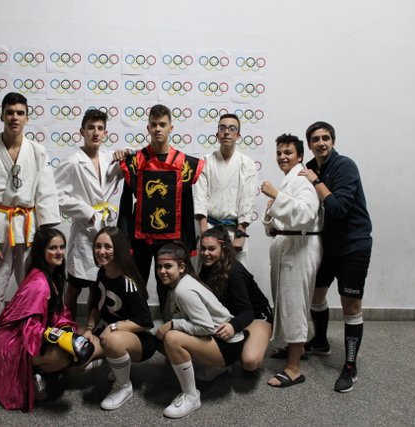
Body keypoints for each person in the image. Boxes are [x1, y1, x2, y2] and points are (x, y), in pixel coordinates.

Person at [0, 92, 61, 374]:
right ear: (1, 115)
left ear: (27, 117)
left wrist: (47, 241)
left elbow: (46, 193)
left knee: (33, 292)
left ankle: (29, 344)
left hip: (29, 228)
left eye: (20, 113)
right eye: (9, 112)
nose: (14, 117)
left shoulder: (37, 151)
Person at [298, 121, 372, 393]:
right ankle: (320, 342)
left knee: (351, 305)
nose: (321, 143)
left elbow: (338, 208)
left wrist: (316, 182)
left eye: (326, 138)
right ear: (309, 144)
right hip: (327, 244)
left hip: (354, 245)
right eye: (316, 139)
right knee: (316, 295)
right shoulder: (310, 167)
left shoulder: (344, 166)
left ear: (333, 141)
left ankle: (350, 366)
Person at [117, 104, 204, 311]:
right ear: (148, 128)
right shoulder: (135, 161)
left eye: (162, 124)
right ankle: (138, 320)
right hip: (140, 237)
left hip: (171, 238)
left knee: (169, 286)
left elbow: (188, 206)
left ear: (171, 128)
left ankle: (168, 321)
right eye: (154, 124)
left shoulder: (184, 163)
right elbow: (125, 204)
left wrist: (187, 241)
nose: (158, 129)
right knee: (136, 281)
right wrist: (123, 237)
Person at [0, 228, 77, 411]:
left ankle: (41, 372)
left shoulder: (52, 275)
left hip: (29, 335)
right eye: (52, 248)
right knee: (64, 355)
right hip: (15, 341)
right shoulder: (39, 284)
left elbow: (58, 312)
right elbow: (29, 328)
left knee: (77, 340)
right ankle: (34, 375)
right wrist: (57, 336)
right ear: (41, 251)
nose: (59, 252)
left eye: (62, 247)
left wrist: (67, 329)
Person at [155, 242, 244, 419]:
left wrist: (174, 324)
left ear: (181, 267)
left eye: (168, 266)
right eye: (159, 267)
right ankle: (213, 367)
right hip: (223, 340)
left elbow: (206, 327)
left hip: (227, 344)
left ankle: (191, 396)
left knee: (172, 339)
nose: (162, 271)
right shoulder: (181, 283)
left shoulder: (183, 290)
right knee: (160, 336)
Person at [260, 134, 322, 388]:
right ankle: (296, 348)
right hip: (287, 245)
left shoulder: (303, 180)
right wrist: (272, 212)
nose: (282, 157)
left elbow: (306, 214)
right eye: (279, 153)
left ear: (300, 156)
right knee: (285, 301)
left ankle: (294, 369)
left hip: (300, 248)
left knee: (295, 305)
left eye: (288, 152)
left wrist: (276, 196)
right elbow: (278, 219)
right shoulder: (290, 180)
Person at [54, 109, 124, 318]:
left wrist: (127, 152)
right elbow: (54, 195)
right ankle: (66, 324)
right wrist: (84, 210)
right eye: (91, 127)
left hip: (104, 228)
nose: (95, 132)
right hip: (84, 229)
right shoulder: (73, 162)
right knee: (75, 283)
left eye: (100, 128)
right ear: (82, 131)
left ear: (105, 133)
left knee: (98, 281)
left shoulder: (110, 159)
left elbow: (135, 156)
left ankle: (92, 327)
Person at [81, 227, 155, 410]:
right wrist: (89, 329)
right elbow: (96, 307)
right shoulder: (102, 273)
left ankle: (123, 386)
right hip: (107, 333)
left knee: (112, 340)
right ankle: (114, 362)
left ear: (119, 249)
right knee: (77, 355)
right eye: (98, 246)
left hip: (139, 340)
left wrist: (115, 327)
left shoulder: (128, 282)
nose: (101, 251)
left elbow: (145, 322)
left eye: (108, 247)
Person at [197, 227, 272, 379]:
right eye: (203, 249)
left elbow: (247, 312)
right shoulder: (205, 266)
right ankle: (225, 357)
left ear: (223, 248)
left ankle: (242, 346)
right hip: (229, 314)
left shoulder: (234, 271)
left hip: (255, 315)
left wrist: (233, 326)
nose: (206, 253)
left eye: (211, 249)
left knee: (250, 362)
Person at [193, 113, 257, 265]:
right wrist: (204, 232)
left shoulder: (247, 163)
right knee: (205, 273)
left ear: (238, 135)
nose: (226, 132)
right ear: (217, 134)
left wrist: (241, 233)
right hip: (209, 227)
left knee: (235, 274)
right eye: (222, 128)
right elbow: (199, 197)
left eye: (232, 128)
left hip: (235, 230)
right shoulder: (205, 161)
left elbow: (247, 200)